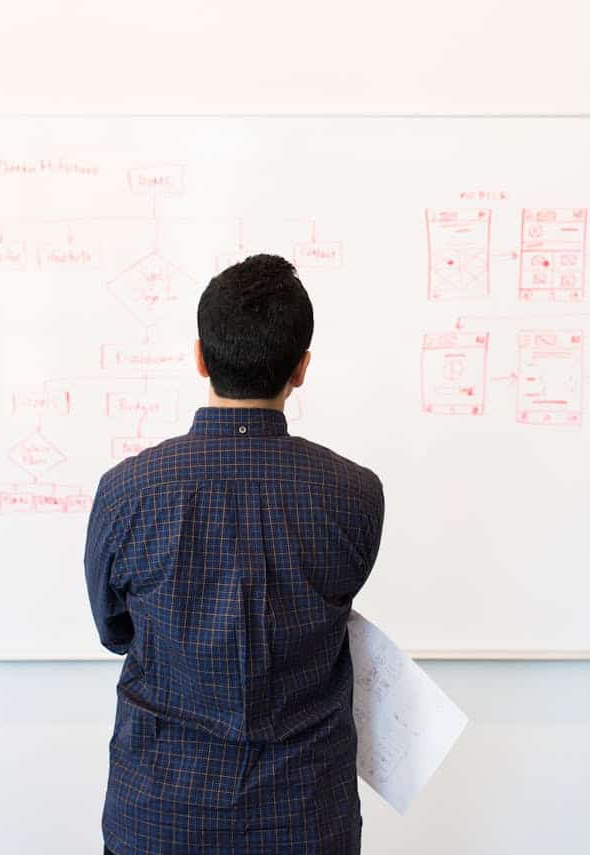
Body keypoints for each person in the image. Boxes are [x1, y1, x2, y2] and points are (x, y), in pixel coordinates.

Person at [84, 253, 385, 854]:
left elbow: (115, 630)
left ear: (200, 356)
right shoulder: (355, 494)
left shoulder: (126, 492)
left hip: (159, 815)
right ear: (301, 369)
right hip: (306, 818)